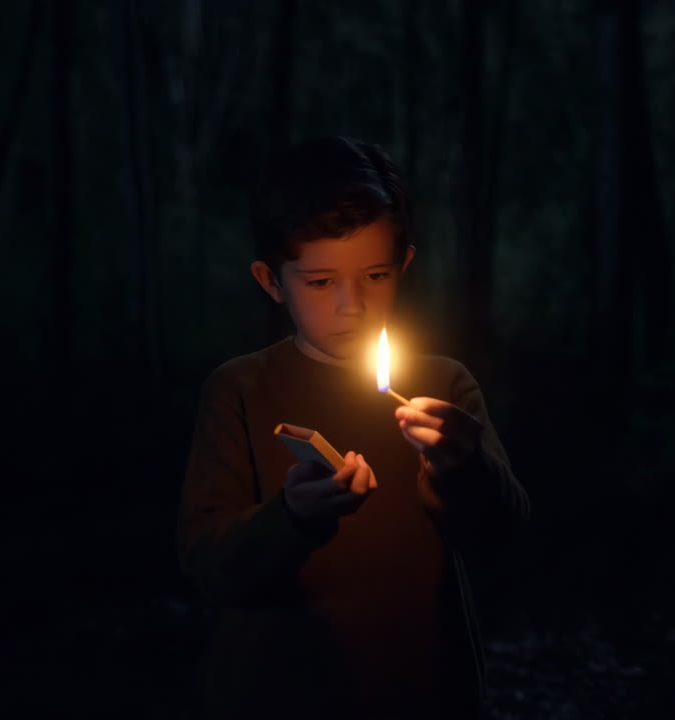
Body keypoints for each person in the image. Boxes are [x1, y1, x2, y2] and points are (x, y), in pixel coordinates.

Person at [175, 136, 529, 719]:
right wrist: (291, 518)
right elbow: (208, 565)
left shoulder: (445, 388)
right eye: (320, 283)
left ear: (404, 264)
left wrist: (463, 470)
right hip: (276, 696)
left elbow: (507, 539)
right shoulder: (238, 390)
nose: (351, 305)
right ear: (270, 280)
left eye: (375, 275)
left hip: (426, 692)